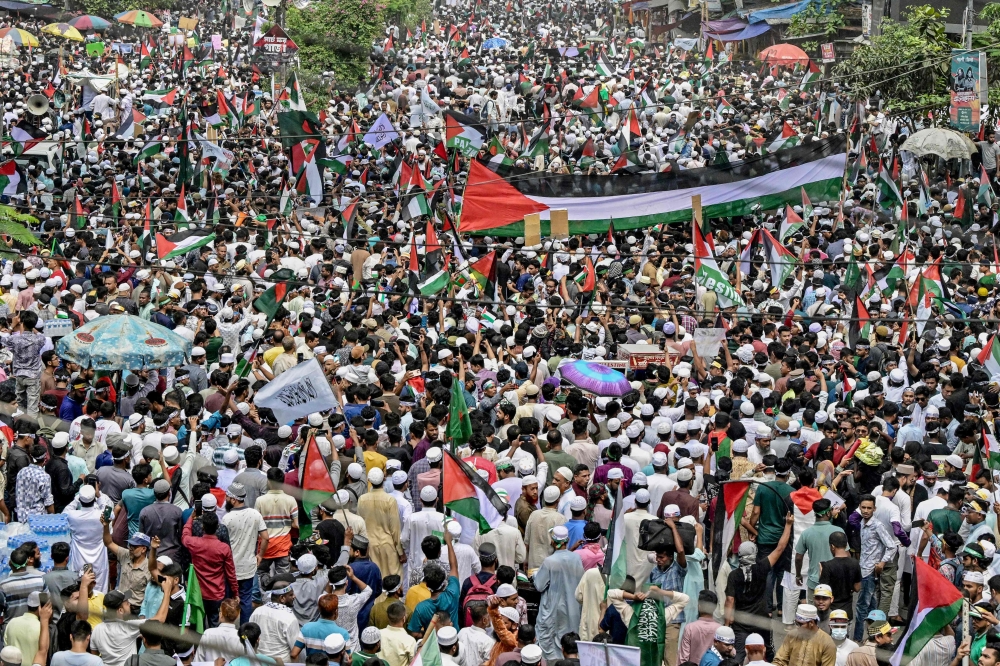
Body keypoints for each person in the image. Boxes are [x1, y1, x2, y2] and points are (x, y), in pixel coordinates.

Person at [726, 513, 794, 663]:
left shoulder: (734, 575)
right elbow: (780, 548)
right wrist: (788, 525)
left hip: (741, 624)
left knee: (737, 657)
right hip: (761, 620)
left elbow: (730, 601)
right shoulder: (762, 567)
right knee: (768, 652)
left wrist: (727, 624)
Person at [533, 525, 584, 660]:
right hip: (573, 607)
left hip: (554, 608)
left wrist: (535, 575)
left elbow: (539, 585)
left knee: (552, 643)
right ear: (567, 541)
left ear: (553, 542)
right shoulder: (576, 558)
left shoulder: (550, 561)